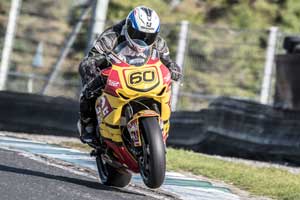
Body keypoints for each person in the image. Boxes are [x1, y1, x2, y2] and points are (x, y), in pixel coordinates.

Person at [78, 5, 182, 143]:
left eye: (149, 36)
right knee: (88, 93)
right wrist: (93, 75)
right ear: (128, 27)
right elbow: (89, 60)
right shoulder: (110, 37)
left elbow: (167, 61)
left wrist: (174, 69)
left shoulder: (159, 42)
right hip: (115, 75)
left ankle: (158, 127)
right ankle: (88, 125)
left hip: (144, 77)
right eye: (138, 34)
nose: (143, 39)